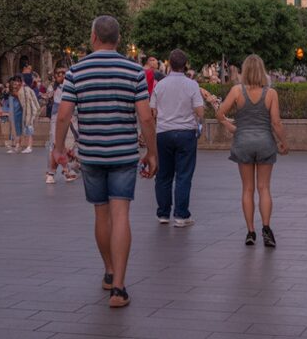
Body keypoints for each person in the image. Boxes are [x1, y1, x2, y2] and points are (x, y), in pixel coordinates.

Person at [52, 15, 156, 309]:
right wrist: (152, 152)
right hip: (123, 154)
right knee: (121, 214)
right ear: (119, 40)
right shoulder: (134, 71)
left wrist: (59, 150)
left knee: (101, 215)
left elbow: (63, 115)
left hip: (92, 154)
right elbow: (145, 116)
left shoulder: (75, 72)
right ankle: (119, 289)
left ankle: (109, 271)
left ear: (94, 37)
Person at [218, 54, 288, 247]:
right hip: (265, 142)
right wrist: (283, 142)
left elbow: (220, 113)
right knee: (264, 188)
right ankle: (267, 228)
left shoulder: (236, 91)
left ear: (245, 71)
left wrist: (231, 127)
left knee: (247, 189)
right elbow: (276, 122)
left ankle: (250, 232)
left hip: (243, 142)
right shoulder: (271, 93)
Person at [151, 49, 204, 227]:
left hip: (163, 132)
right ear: (185, 65)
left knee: (164, 174)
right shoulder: (192, 85)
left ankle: (163, 213)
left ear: (170, 64)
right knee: (183, 175)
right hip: (185, 132)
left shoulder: (160, 85)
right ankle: (181, 215)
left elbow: (153, 111)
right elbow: (200, 111)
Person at [45, 67, 79, 184]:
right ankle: (58, 171)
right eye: (58, 73)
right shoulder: (53, 88)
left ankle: (62, 170)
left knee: (70, 145)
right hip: (58, 117)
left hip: (70, 117)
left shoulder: (71, 86)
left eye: (63, 73)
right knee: (55, 144)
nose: (61, 75)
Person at [14, 76, 40, 154]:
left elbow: (26, 105)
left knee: (29, 128)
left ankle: (29, 146)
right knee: (28, 128)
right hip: (32, 111)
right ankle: (27, 146)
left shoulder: (23, 91)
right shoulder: (28, 89)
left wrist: (27, 116)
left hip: (29, 112)